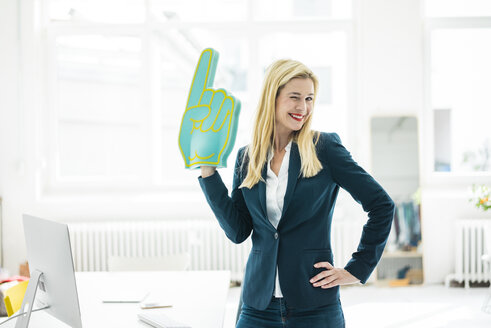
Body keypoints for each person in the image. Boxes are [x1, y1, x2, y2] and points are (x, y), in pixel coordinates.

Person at [198, 59, 395, 328]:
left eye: (309, 98)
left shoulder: (324, 148)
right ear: (273, 97)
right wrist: (208, 172)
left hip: (314, 305)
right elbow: (238, 231)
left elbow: (382, 205)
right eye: (294, 97)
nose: (303, 107)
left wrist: (357, 269)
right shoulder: (248, 157)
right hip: (257, 305)